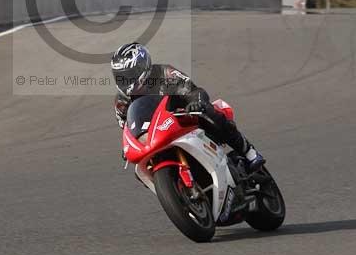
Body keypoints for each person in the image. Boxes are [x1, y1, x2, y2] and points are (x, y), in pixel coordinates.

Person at [110, 42, 264, 171]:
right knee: (141, 169)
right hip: (156, 134)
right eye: (121, 77)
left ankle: (248, 151)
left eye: (129, 75)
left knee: (209, 114)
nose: (126, 81)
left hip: (183, 115)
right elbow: (127, 128)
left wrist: (195, 102)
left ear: (142, 67)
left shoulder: (164, 74)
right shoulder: (122, 102)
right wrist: (128, 146)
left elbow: (191, 90)